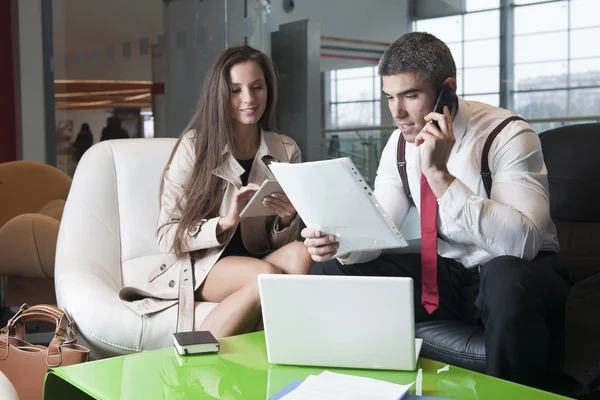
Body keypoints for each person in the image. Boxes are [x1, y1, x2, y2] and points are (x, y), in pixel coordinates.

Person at [305, 32, 569, 390]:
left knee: (506, 276)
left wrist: (439, 176)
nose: (397, 113)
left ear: (447, 89)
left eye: (410, 95)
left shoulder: (507, 134)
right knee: (332, 268)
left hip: (520, 281)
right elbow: (380, 228)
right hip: (447, 277)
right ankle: (366, 387)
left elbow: (521, 245)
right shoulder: (400, 144)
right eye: (389, 97)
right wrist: (342, 244)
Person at [119, 45, 313, 338]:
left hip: (258, 256)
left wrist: (286, 221)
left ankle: (274, 350)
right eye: (235, 90)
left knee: (300, 253)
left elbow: (284, 236)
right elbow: (167, 234)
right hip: (204, 264)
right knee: (268, 277)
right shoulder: (194, 148)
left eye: (257, 87)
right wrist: (224, 223)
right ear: (220, 95)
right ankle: (195, 351)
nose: (249, 99)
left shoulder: (285, 149)